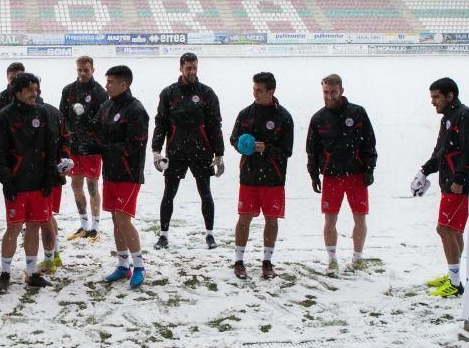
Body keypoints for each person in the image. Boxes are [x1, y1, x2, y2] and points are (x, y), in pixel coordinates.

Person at [79, 65, 149, 288]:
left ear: (124, 84)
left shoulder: (136, 109)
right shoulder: (107, 105)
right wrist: (81, 127)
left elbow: (134, 145)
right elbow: (96, 128)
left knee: (123, 219)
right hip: (110, 173)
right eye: (106, 81)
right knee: (115, 220)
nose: (106, 85)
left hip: (128, 174)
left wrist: (102, 149)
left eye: (110, 82)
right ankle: (122, 265)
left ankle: (139, 266)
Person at [0, 72, 60, 293]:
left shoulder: (43, 112)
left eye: (36, 89)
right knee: (13, 227)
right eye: (30, 89)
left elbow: (51, 145)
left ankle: (31, 273)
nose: (34, 93)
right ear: (18, 92)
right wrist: (6, 180)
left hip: (39, 183)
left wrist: (50, 175)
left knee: (34, 226)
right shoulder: (4, 116)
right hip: (17, 183)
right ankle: (5, 273)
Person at [151, 52, 225, 250]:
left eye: (195, 68)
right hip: (176, 153)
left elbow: (214, 125)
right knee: (169, 194)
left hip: (202, 152)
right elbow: (161, 124)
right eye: (188, 68)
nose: (192, 71)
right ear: (181, 68)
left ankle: (210, 235)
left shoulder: (207, 94)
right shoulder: (168, 93)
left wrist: (219, 154)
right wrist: (156, 151)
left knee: (205, 193)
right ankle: (163, 235)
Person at [306, 74, 377, 274]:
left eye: (333, 92)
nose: (329, 96)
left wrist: (370, 168)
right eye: (325, 92)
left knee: (360, 218)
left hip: (356, 175)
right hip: (332, 176)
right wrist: (313, 174)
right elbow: (312, 150)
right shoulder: (318, 118)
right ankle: (332, 260)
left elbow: (369, 143)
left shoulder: (357, 113)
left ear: (342, 91)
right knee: (330, 219)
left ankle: (357, 258)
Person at [229, 72, 294, 280]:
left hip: (273, 179)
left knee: (272, 221)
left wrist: (266, 148)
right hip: (249, 176)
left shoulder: (283, 117)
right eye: (253, 89)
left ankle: (267, 262)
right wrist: (242, 145)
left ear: (271, 91)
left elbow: (287, 151)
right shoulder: (245, 114)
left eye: (259, 90)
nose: (254, 93)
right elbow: (233, 138)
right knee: (244, 218)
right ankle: (239, 261)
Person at [411, 77, 469, 298]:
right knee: (453, 230)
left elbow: (468, 150)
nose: (433, 102)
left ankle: (455, 284)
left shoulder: (464, 115)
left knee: (444, 229)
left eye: (436, 97)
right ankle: (453, 276)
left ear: (450, 96)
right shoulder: (448, 117)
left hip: (458, 186)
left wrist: (460, 178)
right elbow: (440, 151)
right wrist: (424, 171)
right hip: (448, 183)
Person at [59, 55, 108, 241]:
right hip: (74, 147)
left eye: (86, 69)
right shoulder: (68, 90)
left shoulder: (100, 92)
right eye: (80, 69)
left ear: (93, 70)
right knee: (76, 185)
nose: (83, 73)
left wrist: (86, 117)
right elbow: (62, 117)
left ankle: (95, 227)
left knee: (92, 186)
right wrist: (66, 139)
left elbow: (102, 121)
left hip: (92, 147)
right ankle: (84, 224)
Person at [39, 96, 73, 274]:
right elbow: (67, 140)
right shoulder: (55, 112)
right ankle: (55, 254)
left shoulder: (47, 113)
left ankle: (50, 259)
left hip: (46, 176)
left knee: (45, 218)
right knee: (48, 216)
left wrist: (62, 161)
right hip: (53, 174)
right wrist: (64, 160)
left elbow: (65, 139)